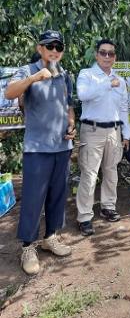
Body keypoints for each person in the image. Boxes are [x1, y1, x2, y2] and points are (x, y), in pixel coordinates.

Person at [5, 30, 75, 275]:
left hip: (62, 147)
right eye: (50, 46)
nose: (55, 50)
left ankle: (51, 237)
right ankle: (28, 246)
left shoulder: (65, 75)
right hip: (37, 148)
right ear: (40, 49)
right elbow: (9, 92)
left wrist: (71, 124)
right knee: (34, 199)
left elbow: (68, 106)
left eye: (59, 46)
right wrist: (34, 78)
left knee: (58, 196)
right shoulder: (28, 70)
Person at [76, 39, 130, 236]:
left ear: (115, 57)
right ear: (96, 54)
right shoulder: (87, 74)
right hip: (92, 130)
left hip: (114, 131)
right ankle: (84, 216)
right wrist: (108, 83)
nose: (107, 56)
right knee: (89, 174)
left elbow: (124, 108)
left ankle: (108, 206)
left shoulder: (121, 80)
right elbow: (83, 95)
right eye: (103, 52)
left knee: (111, 171)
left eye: (111, 53)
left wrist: (127, 133)